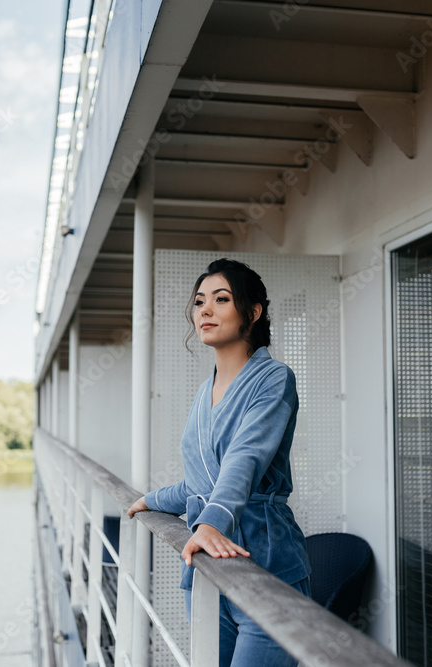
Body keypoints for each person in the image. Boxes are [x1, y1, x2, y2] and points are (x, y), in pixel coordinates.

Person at [127, 258, 311, 667]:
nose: (204, 310)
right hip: (207, 569)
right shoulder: (203, 392)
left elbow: (246, 458)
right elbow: (201, 480)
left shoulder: (274, 378)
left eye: (221, 299)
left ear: (253, 311)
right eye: (198, 302)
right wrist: (153, 499)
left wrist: (210, 523)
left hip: (265, 565)